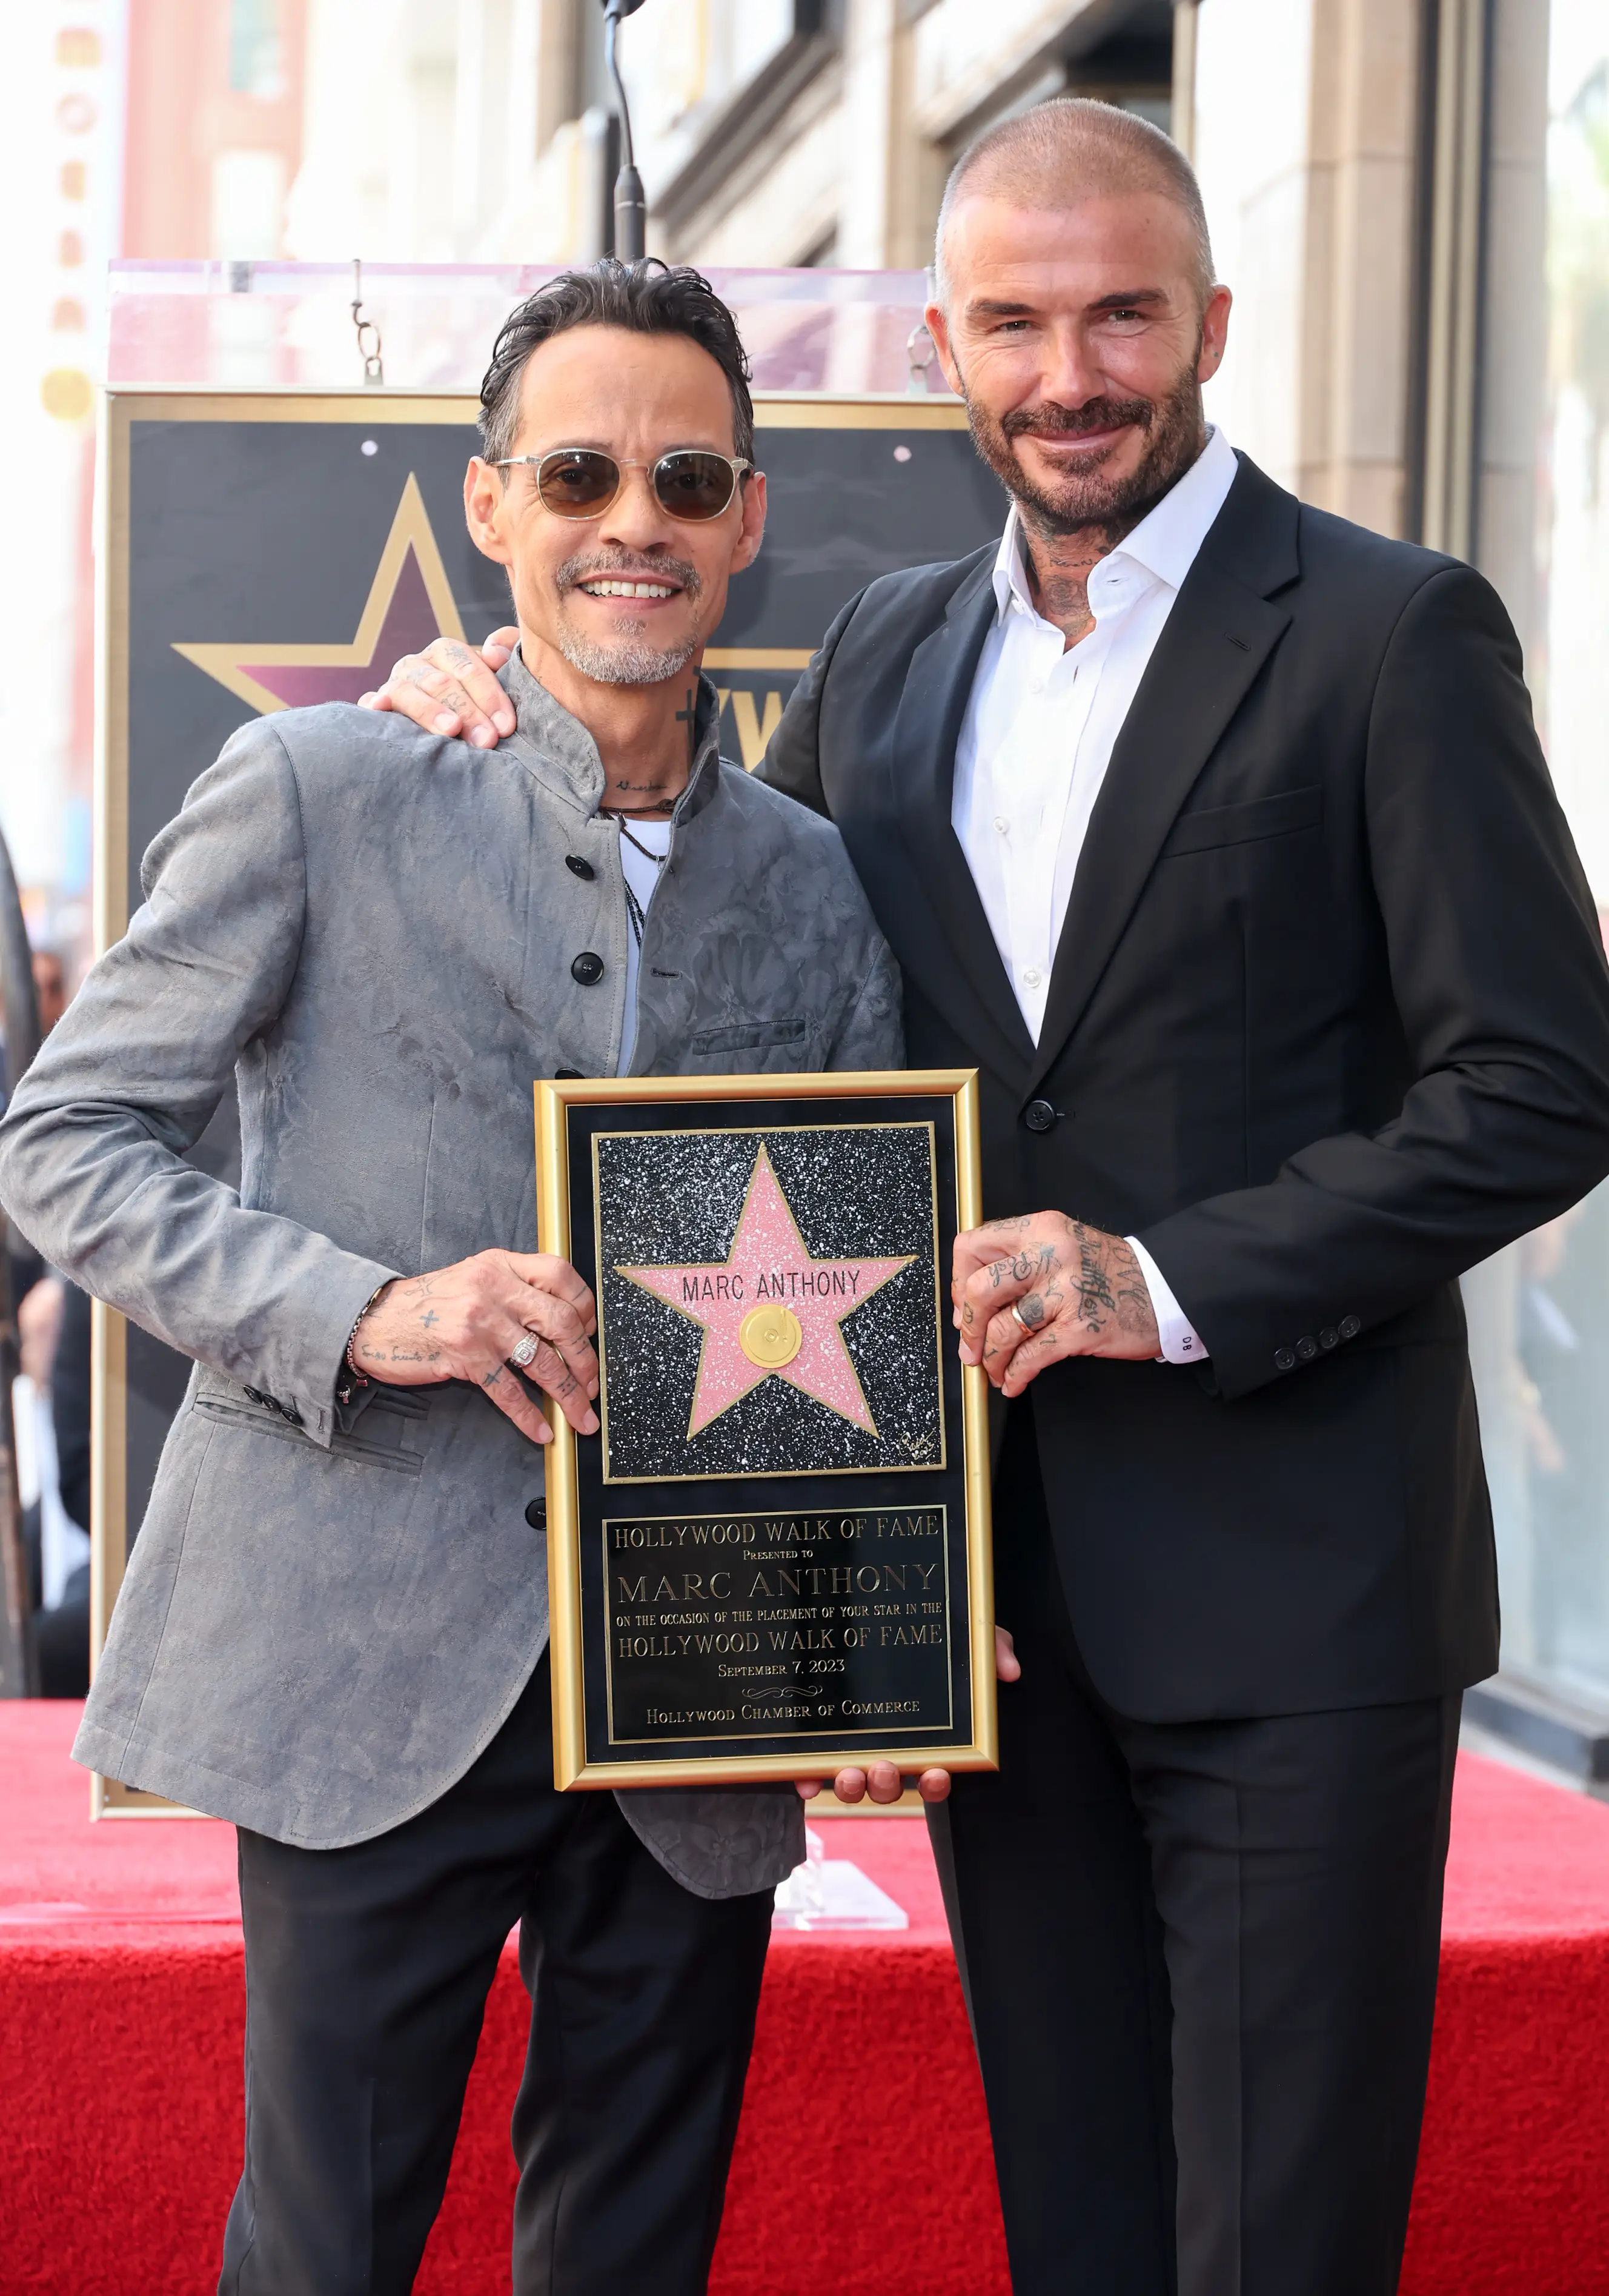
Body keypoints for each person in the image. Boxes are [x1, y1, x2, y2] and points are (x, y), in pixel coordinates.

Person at [373, 101, 1609, 2296]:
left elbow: (1542, 1082)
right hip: (1000, 1623)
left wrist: (1164, 1276)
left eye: (1123, 312)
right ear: (946, 342)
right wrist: (483, 707)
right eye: (1019, 323)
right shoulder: (889, 656)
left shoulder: (1394, 637)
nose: (1073, 374)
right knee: (1084, 2239)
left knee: (1274, 2254)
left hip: (1301, 1612)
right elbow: (760, 1021)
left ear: (1210, 320)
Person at [0, 260, 906, 2296]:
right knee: (323, 2250)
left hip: (693, 1700)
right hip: (353, 1664)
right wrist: (361, 1310)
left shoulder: (823, 884)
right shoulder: (322, 788)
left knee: (634, 2256)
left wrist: (864, 1638)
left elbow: (851, 1276)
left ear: (750, 512)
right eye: (579, 471)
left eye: (685, 475)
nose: (634, 521)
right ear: (491, 503)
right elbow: (58, 1140)